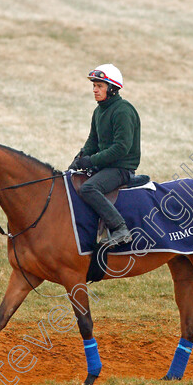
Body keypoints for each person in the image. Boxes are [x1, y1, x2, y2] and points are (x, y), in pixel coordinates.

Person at [69, 64, 141, 247]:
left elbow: (121, 148)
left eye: (99, 86)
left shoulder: (123, 110)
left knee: (88, 188)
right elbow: (92, 142)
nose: (94, 90)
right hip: (105, 166)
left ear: (112, 89)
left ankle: (120, 229)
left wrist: (91, 160)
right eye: (94, 86)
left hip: (120, 169)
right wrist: (78, 159)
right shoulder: (99, 111)